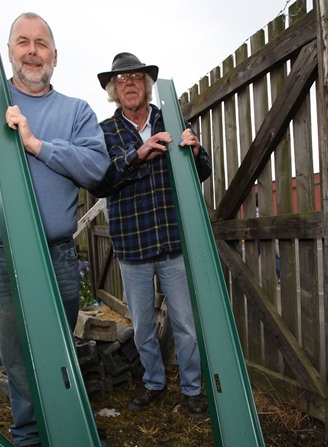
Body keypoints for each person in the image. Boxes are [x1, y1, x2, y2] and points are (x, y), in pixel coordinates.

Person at [0, 13, 111, 447]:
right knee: (16, 351)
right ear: (11, 50)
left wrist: (37, 144)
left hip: (56, 252)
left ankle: (72, 425)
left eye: (42, 43)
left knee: (61, 345)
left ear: (54, 56)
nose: (32, 50)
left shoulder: (75, 111)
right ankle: (29, 435)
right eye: (23, 42)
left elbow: (97, 170)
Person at [92, 52, 212, 419]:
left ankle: (192, 389)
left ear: (146, 85)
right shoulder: (104, 132)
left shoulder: (171, 121)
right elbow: (102, 181)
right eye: (121, 79)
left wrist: (195, 151)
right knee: (143, 325)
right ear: (114, 90)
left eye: (136, 77)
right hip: (133, 246)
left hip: (174, 242)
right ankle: (154, 383)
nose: (129, 83)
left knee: (186, 324)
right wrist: (138, 154)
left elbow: (203, 172)